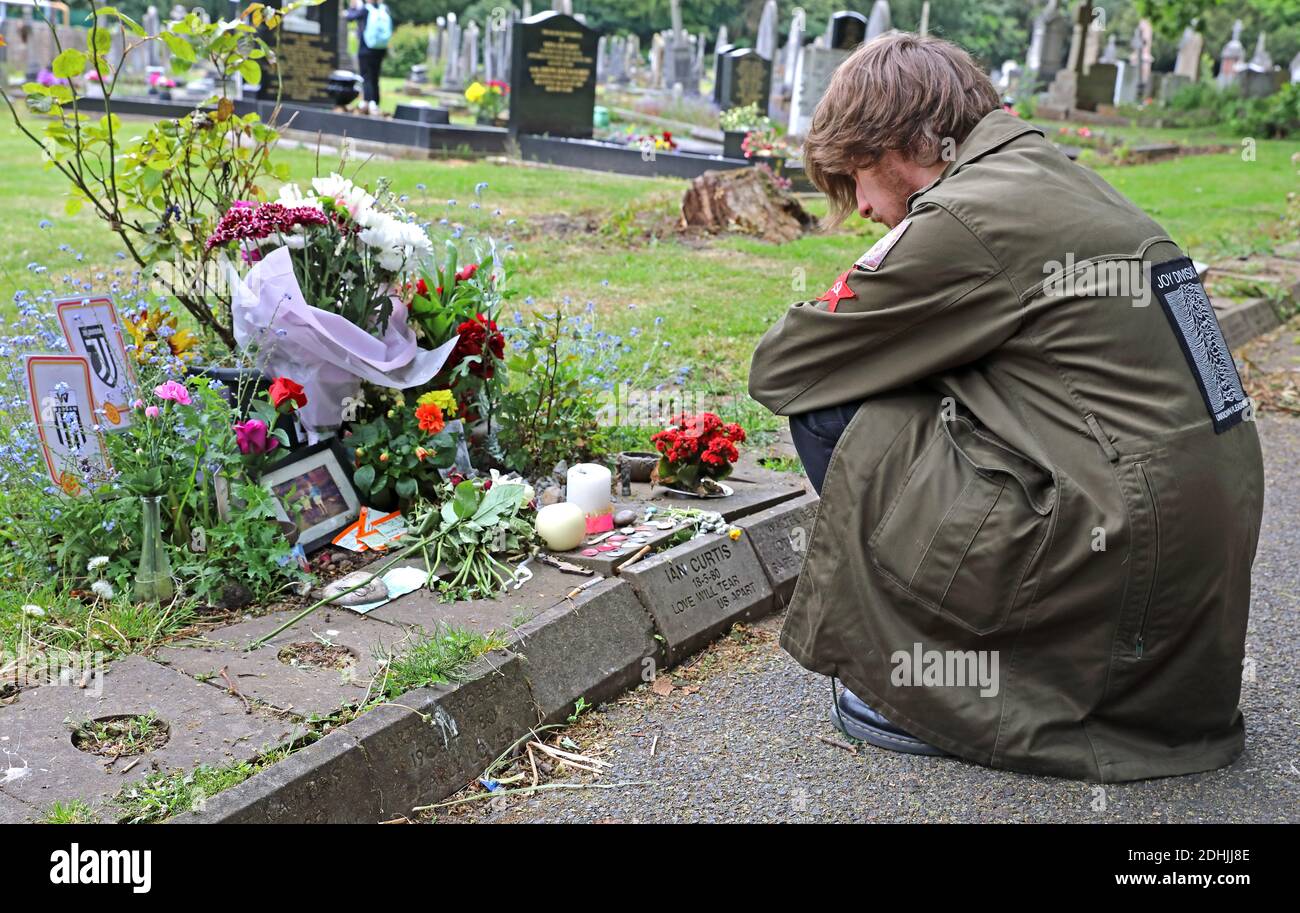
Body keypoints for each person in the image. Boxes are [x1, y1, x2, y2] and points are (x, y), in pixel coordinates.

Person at [748, 32, 1264, 782]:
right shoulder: (1054, 176)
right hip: (1185, 589)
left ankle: (930, 685)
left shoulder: (967, 216)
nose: (860, 205)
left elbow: (785, 367)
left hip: (1125, 565)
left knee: (843, 413)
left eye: (858, 174)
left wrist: (873, 274)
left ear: (903, 142)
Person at [347, 0, 393, 116]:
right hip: (380, 49)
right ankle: (375, 102)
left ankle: (367, 101)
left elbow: (350, 17)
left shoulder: (366, 9)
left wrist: (353, 7)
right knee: (375, 76)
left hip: (366, 49)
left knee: (366, 76)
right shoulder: (384, 9)